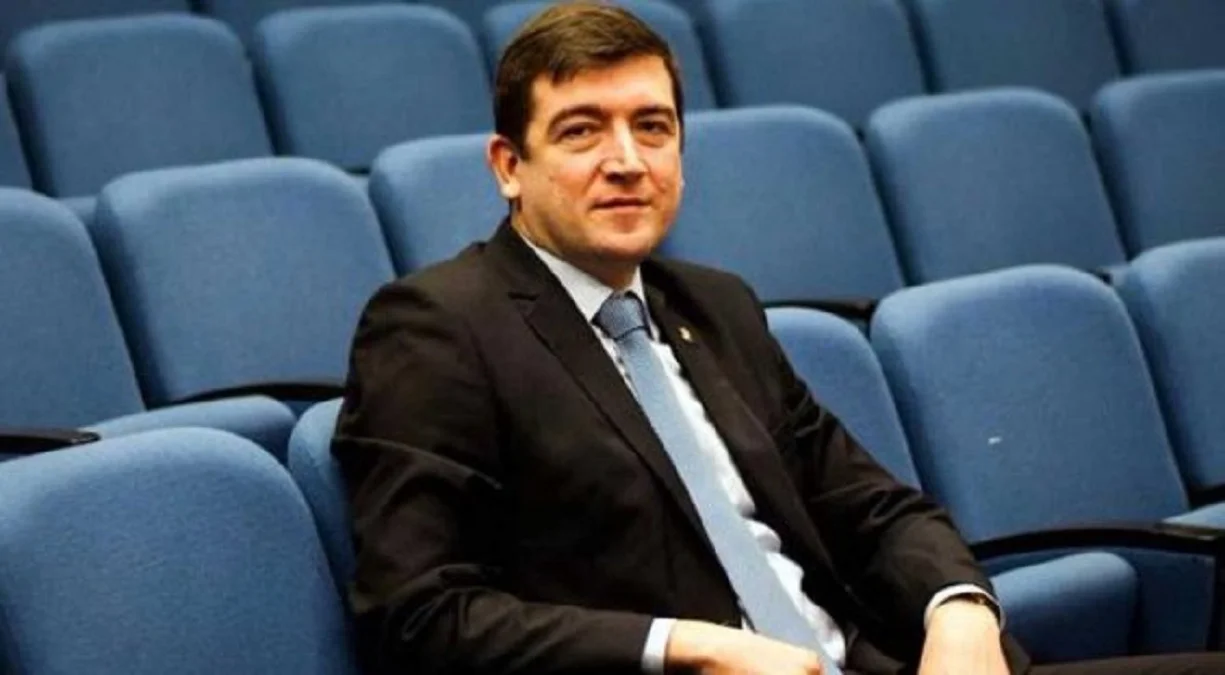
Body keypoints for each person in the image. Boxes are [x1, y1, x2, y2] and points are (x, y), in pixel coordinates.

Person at [332, 3, 1225, 674]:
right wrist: (685, 646)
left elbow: (875, 508)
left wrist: (957, 610)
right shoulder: (437, 326)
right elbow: (418, 613)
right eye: (581, 130)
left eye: (652, 127)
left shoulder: (714, 305)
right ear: (508, 166)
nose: (626, 160)